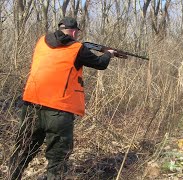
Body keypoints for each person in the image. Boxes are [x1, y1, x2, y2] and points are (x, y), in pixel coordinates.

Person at [8, 17, 116, 180]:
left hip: (31, 105)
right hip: (59, 110)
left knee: (22, 150)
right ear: (74, 32)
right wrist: (109, 53)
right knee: (57, 161)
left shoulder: (41, 41)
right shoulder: (77, 48)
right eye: (76, 33)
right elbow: (100, 63)